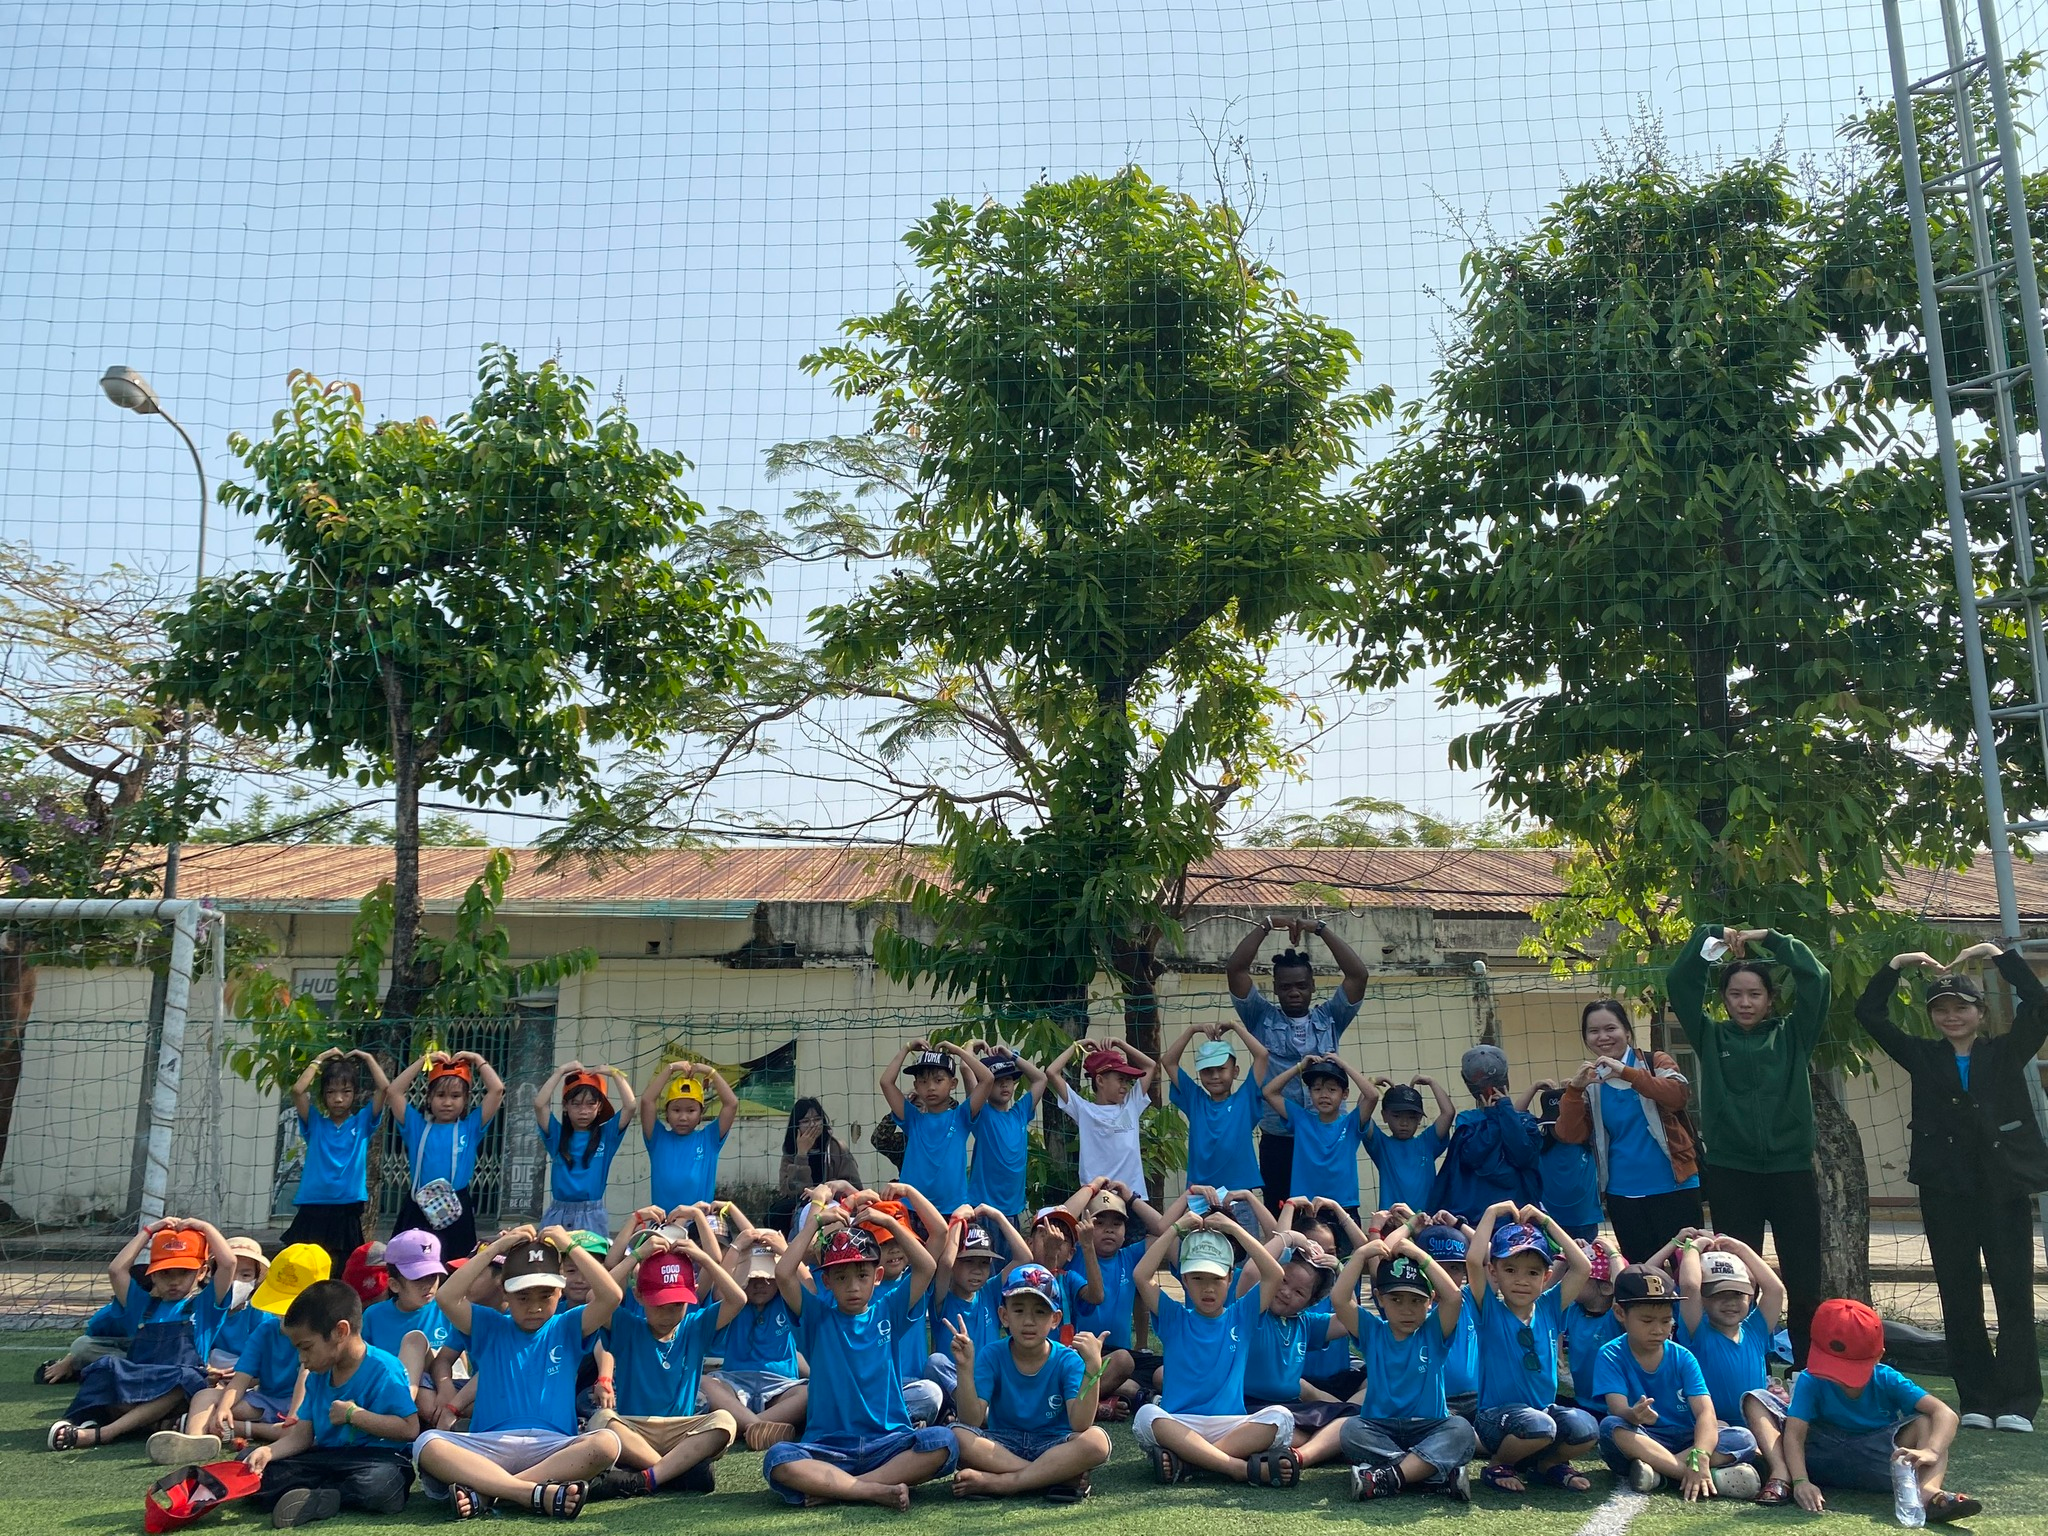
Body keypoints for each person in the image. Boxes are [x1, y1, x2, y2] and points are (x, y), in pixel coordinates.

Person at [1857, 942, 2046, 1432]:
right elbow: (1870, 1014)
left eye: (1961, 1007)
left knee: (2013, 1291)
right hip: (1945, 1190)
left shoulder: (2005, 1051)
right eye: (1941, 1009)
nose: (1952, 1016)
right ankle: (1977, 1398)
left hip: (2003, 1188)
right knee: (1958, 1294)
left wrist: (1998, 954)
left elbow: (2040, 1004)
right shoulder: (1922, 1056)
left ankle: (2018, 1402)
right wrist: (1896, 964)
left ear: (1980, 1012)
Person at [1667, 923, 1828, 1365]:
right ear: (1723, 999)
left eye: (1754, 994)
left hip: (1791, 1170)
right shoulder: (1710, 1036)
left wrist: (1771, 938)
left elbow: (1816, 978)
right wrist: (1711, 934)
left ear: (1770, 999)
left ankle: (1806, 1368)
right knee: (1737, 1277)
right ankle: (1746, 1365)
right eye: (1735, 994)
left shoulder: (1794, 1034)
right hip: (1731, 1172)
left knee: (1803, 1278)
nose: (1745, 1002)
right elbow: (1680, 981)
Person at [759, 1195, 960, 1509]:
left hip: (888, 1442)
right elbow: (784, 1272)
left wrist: (888, 1222)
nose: (852, 1286)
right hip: (829, 1447)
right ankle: (872, 1490)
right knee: (778, 1459)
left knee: (943, 1442)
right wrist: (814, 1224)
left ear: (877, 1277)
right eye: (841, 1277)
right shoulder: (817, 1318)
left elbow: (926, 1266)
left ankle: (845, 1488)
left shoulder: (888, 1311)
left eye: (862, 1275)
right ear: (827, 1281)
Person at [413, 1225, 625, 1519]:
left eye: (545, 1295)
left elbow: (612, 1295)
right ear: (505, 1292)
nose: (534, 1307)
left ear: (560, 1290)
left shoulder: (567, 1325)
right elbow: (446, 1296)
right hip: (490, 1446)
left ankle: (490, 1492)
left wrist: (569, 1245)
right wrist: (497, 1248)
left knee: (607, 1443)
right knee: (426, 1444)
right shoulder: (489, 1325)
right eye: (523, 1297)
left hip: (552, 1447)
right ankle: (530, 1493)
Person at [1131, 1193, 1297, 1486]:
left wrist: (1234, 1229)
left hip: (1229, 1425)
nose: (1208, 1289)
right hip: (1180, 1421)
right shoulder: (1174, 1316)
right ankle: (1235, 1468)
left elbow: (1274, 1273)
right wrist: (1176, 1228)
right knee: (1147, 1416)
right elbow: (1141, 1275)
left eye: (1217, 1278)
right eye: (1197, 1278)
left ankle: (1190, 1462)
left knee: (1281, 1418)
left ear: (1230, 1278)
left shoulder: (1241, 1315)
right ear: (1184, 1280)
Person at [1780, 1298, 1980, 1523]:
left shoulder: (1887, 1378)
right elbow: (1794, 1435)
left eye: (1851, 1370)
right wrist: (1801, 1481)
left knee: (1928, 1422)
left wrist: (1931, 1451)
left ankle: (1928, 1492)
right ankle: (1780, 1476)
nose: (1843, 1379)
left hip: (1879, 1463)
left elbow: (1945, 1414)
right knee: (1768, 1407)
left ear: (1879, 1356)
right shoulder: (1810, 1379)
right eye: (1834, 1369)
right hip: (1822, 1460)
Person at [47, 1218, 237, 1452]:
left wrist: (204, 1228)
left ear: (202, 1272)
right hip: (137, 1385)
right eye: (165, 1273)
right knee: (105, 1367)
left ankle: (105, 1433)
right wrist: (149, 1231)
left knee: (188, 1377)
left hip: (175, 1391)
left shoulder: (205, 1306)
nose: (174, 1281)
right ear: (153, 1275)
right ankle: (149, 1423)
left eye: (183, 1272)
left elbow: (229, 1263)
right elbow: (116, 1270)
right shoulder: (142, 1305)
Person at [242, 1278, 420, 1525]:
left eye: (306, 1347)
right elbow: (301, 1437)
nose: (302, 1358)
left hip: (377, 1460)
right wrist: (268, 1451)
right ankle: (326, 1496)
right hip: (328, 1458)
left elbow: (410, 1428)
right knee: (253, 1468)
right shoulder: (318, 1374)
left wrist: (353, 1415)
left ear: (340, 1332)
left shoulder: (385, 1369)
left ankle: (321, 1494)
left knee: (380, 1484)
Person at [584, 1231, 743, 1499]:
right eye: (659, 1304)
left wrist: (705, 1259)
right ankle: (676, 1473)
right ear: (639, 1295)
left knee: (725, 1421)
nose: (668, 1313)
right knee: (601, 1419)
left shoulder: (695, 1326)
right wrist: (636, 1256)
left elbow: (738, 1299)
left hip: (682, 1429)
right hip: (635, 1427)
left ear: (691, 1294)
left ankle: (645, 1478)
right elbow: (594, 1297)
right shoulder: (628, 1327)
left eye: (677, 1304)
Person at [1225, 916, 1370, 1202]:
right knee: (1280, 1210)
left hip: (1324, 1135)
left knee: (1327, 1208)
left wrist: (1320, 929)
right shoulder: (1259, 1016)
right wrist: (1267, 924)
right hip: (1277, 1136)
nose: (1294, 992)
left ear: (1313, 986)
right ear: (1275, 988)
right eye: (1286, 987)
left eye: (1302, 986)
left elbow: (1358, 975)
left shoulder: (1331, 1017)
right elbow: (1235, 969)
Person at [946, 1262, 1114, 1500]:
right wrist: (964, 1368)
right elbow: (971, 1421)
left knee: (1097, 1441)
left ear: (1055, 1319)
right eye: (1019, 1310)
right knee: (955, 1435)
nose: (1028, 1321)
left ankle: (1005, 1483)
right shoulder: (992, 1354)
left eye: (1040, 1312)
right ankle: (1052, 1477)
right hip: (1003, 1443)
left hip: (1054, 1443)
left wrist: (1093, 1369)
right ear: (1004, 1316)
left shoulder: (1067, 1360)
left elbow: (1079, 1424)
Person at [1591, 1264, 1760, 1499]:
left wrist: (1700, 1454)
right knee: (1611, 1427)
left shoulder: (1683, 1357)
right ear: (1620, 1313)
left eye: (1666, 1321)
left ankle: (1660, 1475)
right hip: (1644, 1437)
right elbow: (1617, 1408)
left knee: (1742, 1437)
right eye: (1647, 1321)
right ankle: (1694, 1476)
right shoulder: (1611, 1354)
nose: (1658, 1330)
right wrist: (1633, 1415)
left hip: (1685, 1438)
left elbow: (1705, 1412)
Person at [151, 1242, 330, 1464]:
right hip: (265, 1401)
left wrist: (290, 1417)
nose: (283, 1315)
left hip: (304, 1405)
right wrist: (224, 1408)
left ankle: (233, 1428)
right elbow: (240, 1379)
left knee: (296, 1429)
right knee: (206, 1396)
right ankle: (196, 1439)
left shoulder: (319, 1336)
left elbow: (305, 1380)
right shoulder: (266, 1329)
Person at [1336, 1220, 1477, 1501]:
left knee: (1461, 1430)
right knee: (1351, 1430)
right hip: (1380, 1425)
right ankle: (1431, 1475)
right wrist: (1361, 1254)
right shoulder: (1373, 1331)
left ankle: (1389, 1477)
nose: (1407, 1310)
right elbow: (1340, 1299)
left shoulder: (1433, 1332)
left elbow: (1453, 1297)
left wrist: (1419, 1255)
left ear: (1430, 1300)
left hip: (1430, 1425)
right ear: (1380, 1298)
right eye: (1396, 1300)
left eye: (1416, 1300)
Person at [1553, 1000, 1701, 1262]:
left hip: (1675, 1187)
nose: (1603, 1037)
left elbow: (1678, 1095)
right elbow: (1569, 1134)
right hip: (1623, 1195)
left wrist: (1628, 1073)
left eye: (1611, 1028)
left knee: (1688, 1269)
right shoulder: (1591, 1080)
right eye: (1594, 1031)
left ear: (1628, 1032)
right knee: (1640, 1274)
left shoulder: (1654, 1062)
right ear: (1586, 1038)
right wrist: (1574, 1091)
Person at [1465, 1200, 1597, 1493]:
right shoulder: (1489, 1310)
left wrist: (1546, 1222)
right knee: (1541, 1426)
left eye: (1533, 1273)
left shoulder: (1550, 1307)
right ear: (1494, 1273)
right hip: (1495, 1418)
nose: (1522, 1281)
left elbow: (1582, 1266)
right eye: (1510, 1270)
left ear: (1546, 1276)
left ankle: (1547, 1465)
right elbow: (1473, 1261)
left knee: (1586, 1428)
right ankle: (1499, 1464)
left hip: (1541, 1415)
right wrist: (1490, 1213)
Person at [1238, 1208, 1372, 1467]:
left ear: (1310, 1302)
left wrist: (1340, 1269)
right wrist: (1290, 1238)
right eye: (1283, 1280)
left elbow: (1348, 1319)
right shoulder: (1253, 1312)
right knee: (1279, 1427)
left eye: (1299, 1292)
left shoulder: (1305, 1323)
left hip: (1292, 1408)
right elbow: (1251, 1273)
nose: (1287, 1292)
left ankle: (1299, 1454)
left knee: (1350, 1419)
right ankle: (1310, 1447)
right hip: (1251, 1408)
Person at [1676, 1237, 1790, 1503]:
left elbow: (1775, 1289)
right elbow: (1689, 1286)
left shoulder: (1755, 1330)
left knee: (1752, 1430)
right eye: (1718, 1294)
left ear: (1749, 1296)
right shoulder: (1697, 1331)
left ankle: (1738, 1473)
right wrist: (1692, 1249)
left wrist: (1741, 1249)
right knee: (1728, 1435)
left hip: (1755, 1430)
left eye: (1738, 1294)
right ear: (1703, 1299)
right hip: (1710, 1429)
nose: (1730, 1302)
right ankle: (1676, 1469)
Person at [385, 1050, 506, 1261]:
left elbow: (497, 1090)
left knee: (455, 1265)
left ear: (466, 1099)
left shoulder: (470, 1128)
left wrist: (477, 1060)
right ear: (429, 1097)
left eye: (455, 1096)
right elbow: (394, 1091)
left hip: (456, 1207)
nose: (447, 1102)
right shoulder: (416, 1127)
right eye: (440, 1095)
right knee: (410, 1264)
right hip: (419, 1206)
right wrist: (423, 1061)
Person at [283, 1048, 391, 1276]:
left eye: (346, 1091)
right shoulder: (315, 1123)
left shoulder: (362, 1122)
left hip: (347, 1206)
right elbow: (298, 1090)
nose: (338, 1099)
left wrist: (368, 1058)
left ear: (355, 1093)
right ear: (323, 1096)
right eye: (331, 1092)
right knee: (304, 1269)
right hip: (313, 1205)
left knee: (342, 1270)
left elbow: (384, 1088)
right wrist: (319, 1059)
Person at [1059, 1181, 1163, 1414]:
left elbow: (1165, 1232)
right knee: (1123, 1363)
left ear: (1125, 1231)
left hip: (1120, 1356)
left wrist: (1131, 1198)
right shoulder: (1074, 1255)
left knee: (1165, 1373)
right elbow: (1060, 1217)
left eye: (1117, 1224)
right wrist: (1092, 1187)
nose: (1109, 1230)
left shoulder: (1131, 1256)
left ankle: (1122, 1393)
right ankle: (1089, 1405)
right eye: (1099, 1223)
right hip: (1082, 1354)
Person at [701, 1230, 808, 1450]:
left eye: (768, 1277)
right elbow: (720, 1291)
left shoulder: (787, 1300)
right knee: (704, 1383)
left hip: (781, 1384)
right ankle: (758, 1427)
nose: (761, 1284)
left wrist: (785, 1250)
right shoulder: (735, 1303)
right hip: (735, 1381)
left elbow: (810, 1289)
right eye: (753, 1278)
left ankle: (745, 1425)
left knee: (809, 1393)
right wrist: (736, 1247)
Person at [1164, 1019, 1271, 1202]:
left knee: (1242, 1223)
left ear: (1235, 1071)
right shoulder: (1195, 1100)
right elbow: (1168, 1062)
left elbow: (1262, 1055)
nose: (1214, 1076)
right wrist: (1192, 1029)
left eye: (1221, 1069)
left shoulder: (1245, 1099)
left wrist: (1236, 1026)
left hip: (1238, 1193)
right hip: (1201, 1194)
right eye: (1207, 1070)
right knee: (1200, 1224)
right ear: (1200, 1074)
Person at [880, 1039, 991, 1215]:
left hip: (953, 1210)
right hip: (912, 1208)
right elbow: (886, 1082)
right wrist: (906, 1048)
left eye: (938, 1080)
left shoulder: (961, 1117)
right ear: (916, 1086)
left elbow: (988, 1079)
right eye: (923, 1082)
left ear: (953, 1084)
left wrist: (958, 1050)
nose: (931, 1087)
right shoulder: (912, 1119)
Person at [1434, 1046, 1541, 1223]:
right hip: (1475, 1220)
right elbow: (1472, 1156)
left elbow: (1523, 1156)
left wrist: (1505, 1111)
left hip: (1516, 1218)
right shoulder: (1467, 1120)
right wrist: (1493, 1119)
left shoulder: (1524, 1121)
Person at [1044, 1038, 1162, 1198]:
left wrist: (1121, 1044)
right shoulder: (1084, 1110)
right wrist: (1076, 1046)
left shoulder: (1131, 1105)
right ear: (1100, 1080)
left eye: (1127, 1081)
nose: (1125, 1086)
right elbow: (1052, 1072)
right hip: (1097, 1197)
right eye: (1120, 1079)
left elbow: (1150, 1066)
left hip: (1132, 1196)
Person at [360, 1229, 457, 1422]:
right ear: (394, 1285)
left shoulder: (447, 1309)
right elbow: (365, 1364)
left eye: (433, 1276)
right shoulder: (374, 1316)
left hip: (445, 1390)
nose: (428, 1285)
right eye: (418, 1278)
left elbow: (460, 1358)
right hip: (393, 1393)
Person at [532, 1062, 635, 1236]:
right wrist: (560, 1071)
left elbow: (630, 1106)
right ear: (565, 1106)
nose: (583, 1111)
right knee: (552, 1254)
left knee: (588, 1255)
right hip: (558, 1214)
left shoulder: (607, 1135)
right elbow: (539, 1105)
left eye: (590, 1104)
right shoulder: (556, 1135)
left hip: (592, 1215)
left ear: (599, 1106)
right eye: (576, 1104)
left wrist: (615, 1073)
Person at [639, 1060, 739, 1211]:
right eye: (676, 1110)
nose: (683, 1117)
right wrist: (670, 1068)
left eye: (691, 1111)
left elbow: (731, 1104)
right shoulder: (657, 1138)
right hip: (663, 1220)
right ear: (666, 1114)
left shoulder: (709, 1140)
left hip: (698, 1221)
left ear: (700, 1114)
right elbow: (647, 1101)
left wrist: (711, 1072)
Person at [964, 1043, 1046, 1219]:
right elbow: (966, 1069)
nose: (1004, 1085)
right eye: (997, 1080)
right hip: (983, 1208)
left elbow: (1041, 1079)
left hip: (1013, 1211)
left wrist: (1011, 1056)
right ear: (985, 1086)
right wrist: (970, 1045)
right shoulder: (981, 1113)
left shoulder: (1020, 1113)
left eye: (1008, 1079)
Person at [1521, 1083, 1602, 1242]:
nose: (1561, 1130)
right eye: (1555, 1125)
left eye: (1566, 1124)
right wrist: (1534, 1087)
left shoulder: (1589, 1141)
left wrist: (1577, 1088)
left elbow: (1597, 1110)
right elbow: (1516, 1114)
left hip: (1585, 1221)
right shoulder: (1539, 1143)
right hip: (1550, 1221)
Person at [769, 1098, 860, 1233]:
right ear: (796, 1125)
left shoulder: (836, 1147)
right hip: (801, 1203)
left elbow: (855, 1187)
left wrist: (822, 1191)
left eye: (817, 1119)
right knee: (776, 1214)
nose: (812, 1125)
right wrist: (801, 1154)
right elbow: (789, 1189)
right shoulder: (790, 1149)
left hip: (833, 1202)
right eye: (806, 1121)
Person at [1363, 1077, 1452, 1215]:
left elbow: (1448, 1113)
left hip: (1426, 1219)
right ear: (1384, 1116)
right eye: (1397, 1116)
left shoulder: (1428, 1143)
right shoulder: (1381, 1145)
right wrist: (1370, 1083)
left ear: (1419, 1119)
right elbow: (1362, 1112)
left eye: (1411, 1117)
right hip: (1392, 1220)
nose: (1404, 1123)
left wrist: (1432, 1082)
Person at [1558, 1239, 1622, 1407]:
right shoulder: (1572, 1310)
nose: (1572, 1280)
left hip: (1613, 1407)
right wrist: (1567, 1254)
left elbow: (1624, 1293)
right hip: (1582, 1402)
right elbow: (1547, 1290)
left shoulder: (1617, 1317)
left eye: (1582, 1277)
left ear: (1607, 1288)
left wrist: (1614, 1256)